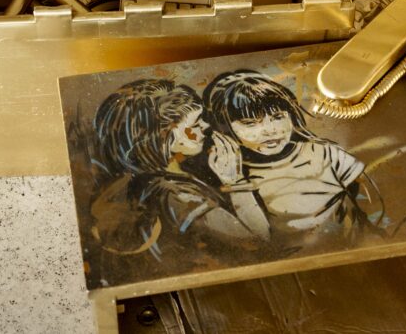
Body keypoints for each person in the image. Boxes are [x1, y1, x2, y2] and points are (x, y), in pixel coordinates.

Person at [90, 78, 269, 258]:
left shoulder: (140, 180)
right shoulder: (175, 195)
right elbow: (259, 241)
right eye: (195, 123)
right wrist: (236, 181)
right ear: (164, 136)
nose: (205, 126)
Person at [203, 69, 385, 243]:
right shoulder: (231, 176)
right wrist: (236, 182)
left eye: (277, 117)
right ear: (224, 129)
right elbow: (259, 238)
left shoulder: (325, 153)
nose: (270, 130)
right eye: (250, 123)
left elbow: (374, 205)